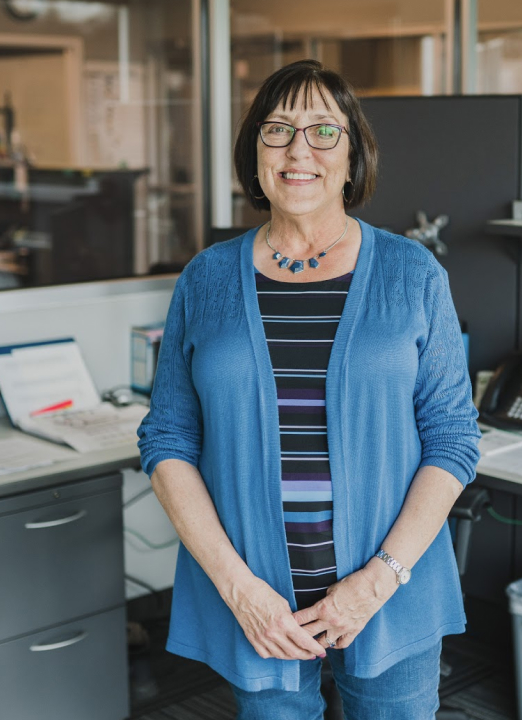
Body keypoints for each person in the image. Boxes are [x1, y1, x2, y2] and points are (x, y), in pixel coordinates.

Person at [137, 59, 481, 720]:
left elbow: (453, 437)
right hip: (259, 606)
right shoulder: (206, 278)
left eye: (324, 131)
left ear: (352, 156)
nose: (299, 150)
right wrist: (240, 591)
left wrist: (377, 579)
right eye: (278, 130)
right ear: (255, 154)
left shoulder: (413, 274)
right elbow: (169, 437)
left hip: (391, 594)